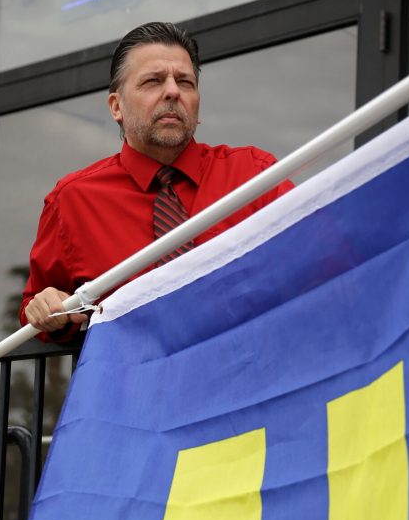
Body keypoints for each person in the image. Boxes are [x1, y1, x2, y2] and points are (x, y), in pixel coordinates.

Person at [20, 21, 292, 339]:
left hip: (251, 374)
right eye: (153, 81)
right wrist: (44, 309)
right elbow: (38, 311)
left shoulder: (254, 176)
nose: (173, 91)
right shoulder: (72, 200)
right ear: (116, 106)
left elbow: (316, 254)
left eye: (185, 82)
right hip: (138, 385)